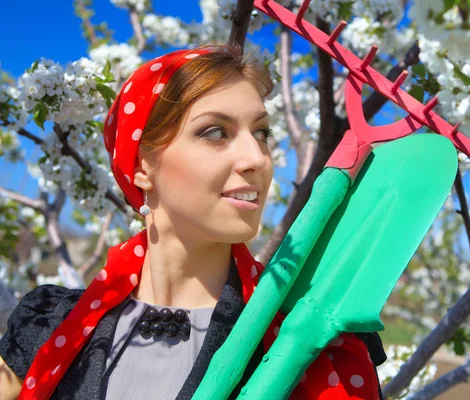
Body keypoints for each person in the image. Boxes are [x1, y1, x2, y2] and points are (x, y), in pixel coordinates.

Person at [0, 43, 387, 400]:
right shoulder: (47, 329)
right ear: (141, 166)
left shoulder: (304, 349)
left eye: (262, 133)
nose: (257, 158)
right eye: (215, 132)